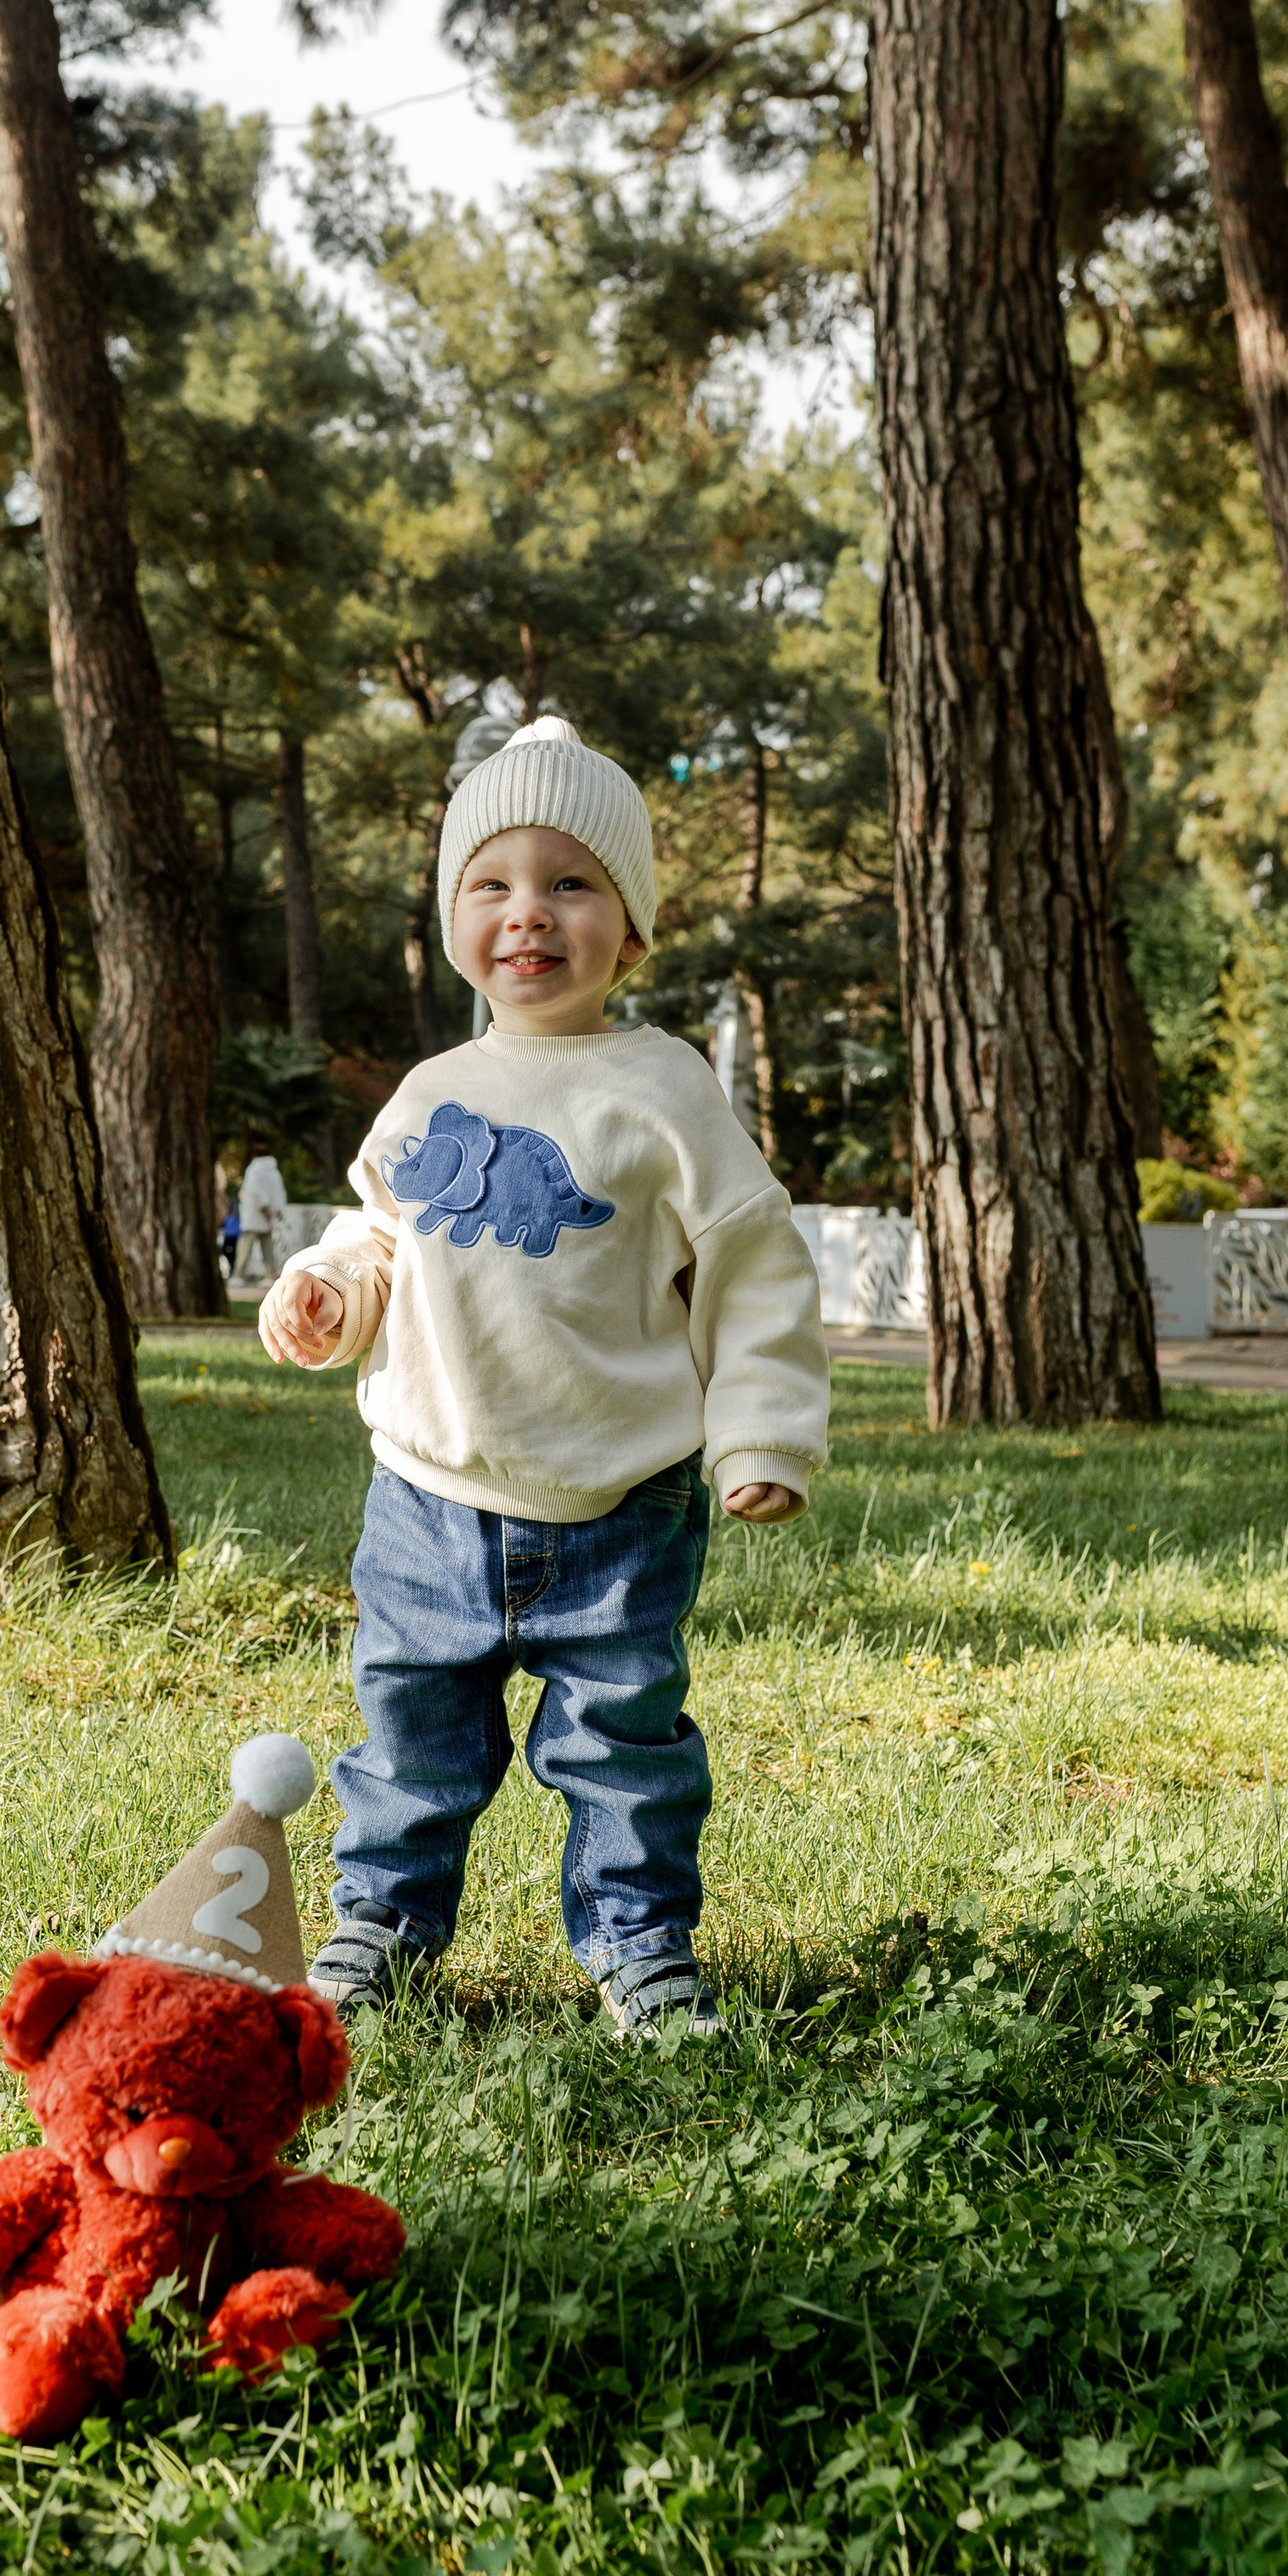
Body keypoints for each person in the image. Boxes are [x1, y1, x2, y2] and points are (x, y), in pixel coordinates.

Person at [258, 716, 828, 2039]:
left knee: (625, 1748)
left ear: (629, 926)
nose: (531, 914)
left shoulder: (663, 1088)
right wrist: (332, 1290)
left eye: (571, 882)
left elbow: (753, 1265)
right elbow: (384, 1228)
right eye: (493, 883)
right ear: (455, 916)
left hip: (620, 1499)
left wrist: (761, 1438)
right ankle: (380, 1929)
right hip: (426, 1495)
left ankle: (640, 1945)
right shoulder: (431, 1090)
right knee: (408, 1741)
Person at [233, 1138, 290, 1285]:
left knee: (245, 1247)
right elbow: (279, 1192)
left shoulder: (254, 1170)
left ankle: (239, 1276)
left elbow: (255, 1189)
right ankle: (270, 1276)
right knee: (267, 1248)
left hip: (254, 1215)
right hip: (268, 1217)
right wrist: (276, 1210)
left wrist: (265, 1207)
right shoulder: (274, 1171)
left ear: (254, 1154)